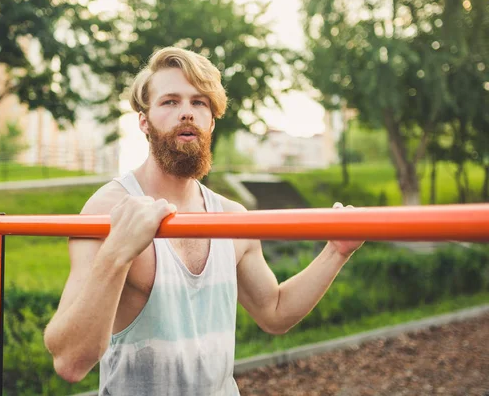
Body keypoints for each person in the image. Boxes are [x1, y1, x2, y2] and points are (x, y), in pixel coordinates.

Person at [43, 46, 363, 395]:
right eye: (170, 102)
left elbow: (274, 311)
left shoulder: (233, 218)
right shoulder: (107, 210)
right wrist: (117, 252)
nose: (187, 113)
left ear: (211, 120)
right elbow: (70, 361)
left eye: (199, 103)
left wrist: (336, 251)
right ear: (144, 121)